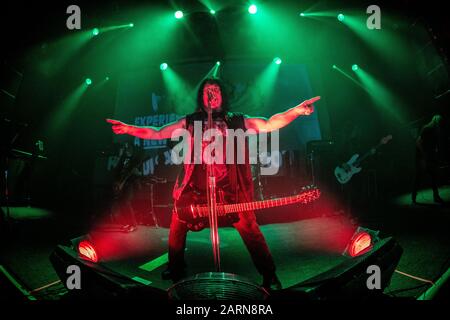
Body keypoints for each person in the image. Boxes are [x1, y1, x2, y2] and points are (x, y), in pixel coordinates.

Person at [106, 77, 319, 290]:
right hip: (195, 189)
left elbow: (270, 123)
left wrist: (296, 111)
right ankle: (176, 267)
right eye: (208, 89)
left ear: (222, 95)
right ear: (201, 95)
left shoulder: (236, 120)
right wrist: (129, 129)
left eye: (216, 89)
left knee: (250, 230)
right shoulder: (189, 122)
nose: (212, 92)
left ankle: (269, 274)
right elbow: (158, 132)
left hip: (230, 189)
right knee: (177, 226)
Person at [412, 115, 444, 204]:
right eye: (438, 122)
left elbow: (433, 145)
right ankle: (414, 196)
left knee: (433, 176)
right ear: (435, 121)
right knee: (419, 177)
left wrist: (435, 152)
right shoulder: (426, 128)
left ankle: (436, 196)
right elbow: (418, 142)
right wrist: (424, 155)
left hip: (428, 156)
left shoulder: (435, 131)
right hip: (421, 157)